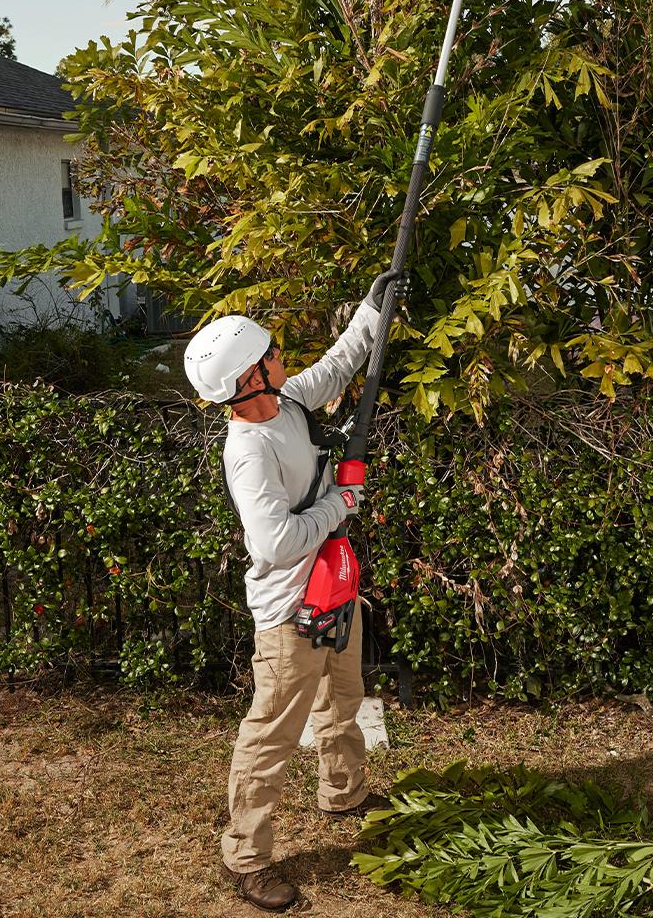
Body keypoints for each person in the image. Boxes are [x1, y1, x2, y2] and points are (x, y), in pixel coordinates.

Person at [183, 270, 404, 913]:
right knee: (272, 733)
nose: (282, 355)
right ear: (250, 378)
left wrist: (374, 305)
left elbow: (338, 366)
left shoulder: (290, 404)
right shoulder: (248, 449)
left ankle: (345, 792)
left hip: (331, 584)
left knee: (344, 696)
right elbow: (273, 545)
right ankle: (247, 856)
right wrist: (344, 501)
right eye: (270, 352)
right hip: (290, 610)